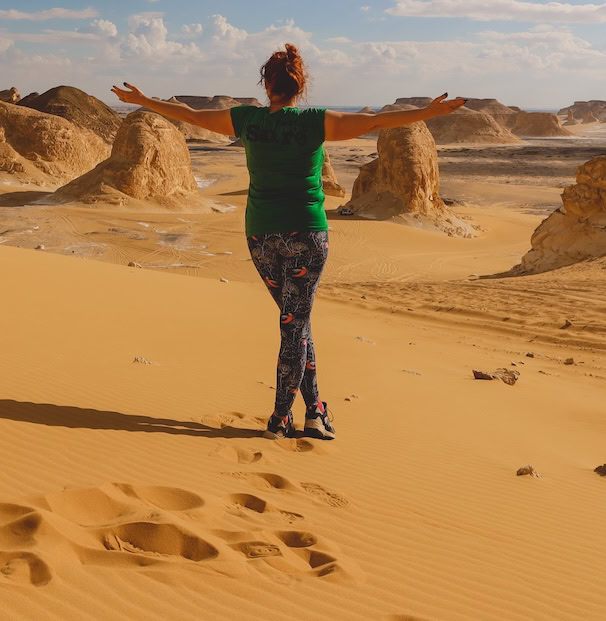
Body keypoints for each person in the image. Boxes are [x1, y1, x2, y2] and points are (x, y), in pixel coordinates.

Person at [112, 47, 464, 441]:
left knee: (295, 322)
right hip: (306, 235)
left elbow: (192, 116)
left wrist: (143, 101)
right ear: (300, 86)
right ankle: (281, 418)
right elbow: (376, 121)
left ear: (266, 84)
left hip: (261, 237)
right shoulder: (315, 122)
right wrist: (428, 113)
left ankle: (315, 412)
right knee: (294, 325)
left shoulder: (247, 120)